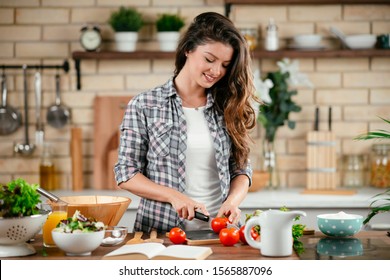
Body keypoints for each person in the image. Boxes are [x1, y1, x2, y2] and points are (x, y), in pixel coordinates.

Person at [114, 12, 258, 233]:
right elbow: (126, 174)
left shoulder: (227, 106)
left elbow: (241, 169)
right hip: (162, 232)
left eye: (225, 64)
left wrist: (232, 202)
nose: (216, 71)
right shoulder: (145, 105)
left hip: (222, 233)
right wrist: (174, 197)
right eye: (209, 59)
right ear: (188, 49)